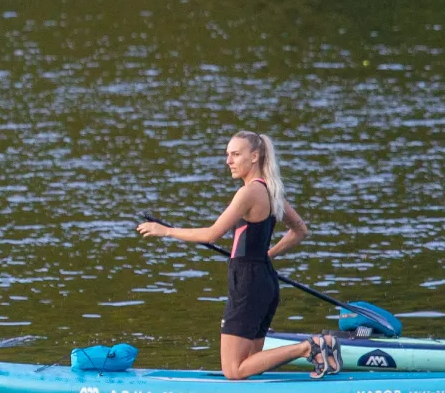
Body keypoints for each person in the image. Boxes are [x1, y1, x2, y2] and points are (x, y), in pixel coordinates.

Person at [136, 131, 337, 379]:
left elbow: (212, 234)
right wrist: (266, 255)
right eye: (227, 155)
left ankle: (310, 347)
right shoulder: (272, 191)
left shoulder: (249, 193)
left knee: (233, 371)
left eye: (235, 154)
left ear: (254, 156)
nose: (228, 161)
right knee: (249, 365)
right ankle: (316, 351)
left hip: (248, 283)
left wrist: (166, 231)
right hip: (265, 280)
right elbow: (300, 230)